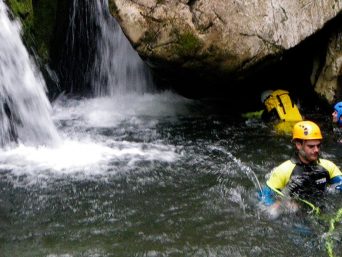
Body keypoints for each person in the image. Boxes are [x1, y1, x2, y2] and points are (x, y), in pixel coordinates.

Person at [259, 120, 342, 217]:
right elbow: (265, 198)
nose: (316, 150)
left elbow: (340, 183)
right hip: (295, 218)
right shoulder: (284, 170)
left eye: (318, 146)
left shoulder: (328, 166)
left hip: (321, 212)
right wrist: (281, 206)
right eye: (311, 146)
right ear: (298, 145)